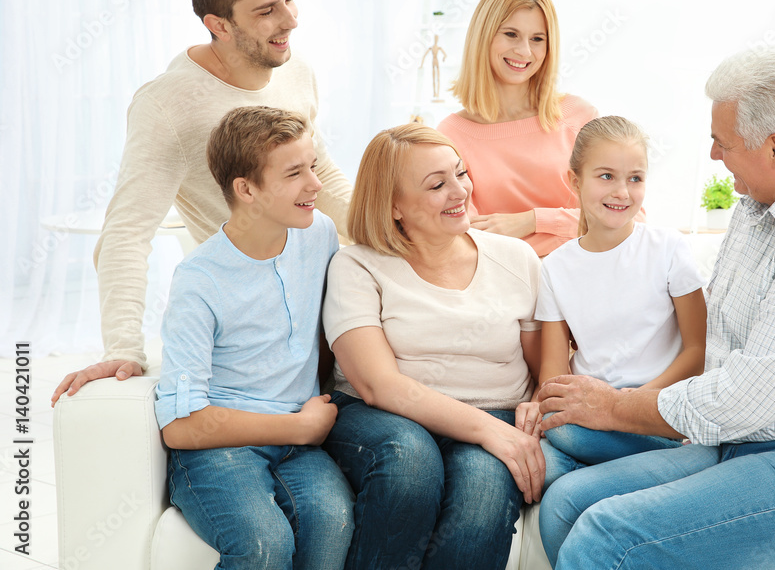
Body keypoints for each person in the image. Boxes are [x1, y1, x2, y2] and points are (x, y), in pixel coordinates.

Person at [536, 51, 775, 569]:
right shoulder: (760, 204)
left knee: (604, 537)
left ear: (774, 147)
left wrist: (613, 407)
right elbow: (722, 352)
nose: (713, 153)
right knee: (566, 505)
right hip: (749, 440)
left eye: (722, 142)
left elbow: (740, 397)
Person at [52, 0, 352, 404]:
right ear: (219, 24)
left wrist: (393, 229)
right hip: (254, 314)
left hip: (321, 284)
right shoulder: (169, 105)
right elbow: (128, 232)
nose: (291, 19)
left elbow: (323, 174)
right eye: (266, 10)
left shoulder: (296, 71)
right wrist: (124, 347)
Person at [321, 123, 544, 570]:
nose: (460, 191)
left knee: (482, 495)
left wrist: (534, 409)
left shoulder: (516, 258)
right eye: (438, 184)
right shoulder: (357, 265)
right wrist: (488, 430)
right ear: (394, 205)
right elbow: (379, 386)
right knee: (409, 459)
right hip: (381, 417)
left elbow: (544, 370)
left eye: (461, 173)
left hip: (493, 409)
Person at [154, 106, 353, 569]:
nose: (315, 185)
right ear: (246, 189)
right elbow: (181, 426)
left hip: (298, 445)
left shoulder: (319, 233)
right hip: (217, 448)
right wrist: (299, 427)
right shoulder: (199, 280)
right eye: (294, 173)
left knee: (332, 524)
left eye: (313, 167)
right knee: (264, 546)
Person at [535, 115, 707, 490]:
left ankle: (627, 466)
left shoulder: (668, 249)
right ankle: (614, 476)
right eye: (606, 176)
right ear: (575, 181)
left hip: (656, 413)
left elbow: (697, 352)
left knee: (569, 438)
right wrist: (554, 407)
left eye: (635, 178)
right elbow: (552, 369)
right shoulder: (555, 268)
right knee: (549, 456)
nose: (622, 192)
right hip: (586, 418)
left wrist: (625, 404)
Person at [436, 0, 602, 256]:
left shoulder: (580, 117)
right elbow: (469, 239)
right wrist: (572, 229)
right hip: (506, 285)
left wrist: (530, 221)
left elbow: (626, 218)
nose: (524, 51)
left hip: (585, 278)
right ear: (484, 36)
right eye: (511, 34)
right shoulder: (451, 136)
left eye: (537, 39)